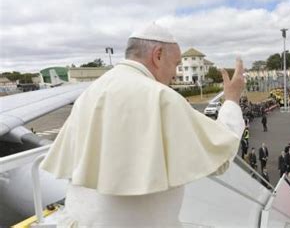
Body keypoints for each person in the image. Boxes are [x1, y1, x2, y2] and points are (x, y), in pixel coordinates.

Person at [39, 22, 246, 227]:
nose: (175, 74)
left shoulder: (89, 93)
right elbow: (220, 160)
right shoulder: (161, 97)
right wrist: (231, 100)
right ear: (157, 55)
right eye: (175, 64)